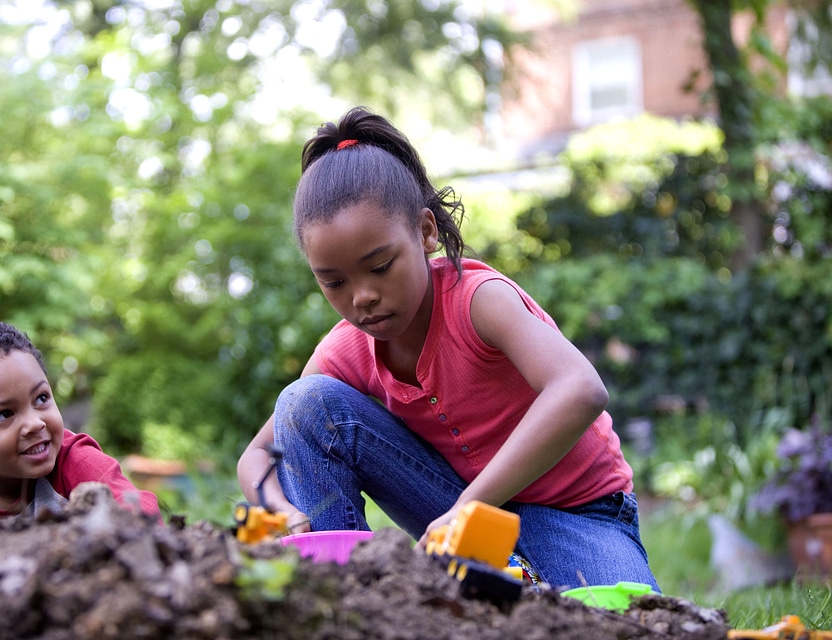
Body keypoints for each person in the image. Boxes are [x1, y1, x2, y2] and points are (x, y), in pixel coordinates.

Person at [237, 106, 660, 590]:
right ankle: (341, 596)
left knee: (625, 619)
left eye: (380, 267)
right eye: (333, 281)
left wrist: (467, 509)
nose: (361, 297)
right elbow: (257, 455)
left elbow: (580, 389)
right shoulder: (349, 347)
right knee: (304, 402)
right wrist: (278, 508)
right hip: (453, 509)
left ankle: (517, 582)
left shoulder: (479, 301)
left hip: (576, 516)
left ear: (425, 231)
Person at [0, 319, 160, 539]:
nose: (35, 423)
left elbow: (136, 510)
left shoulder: (77, 464)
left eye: (41, 398)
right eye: (4, 414)